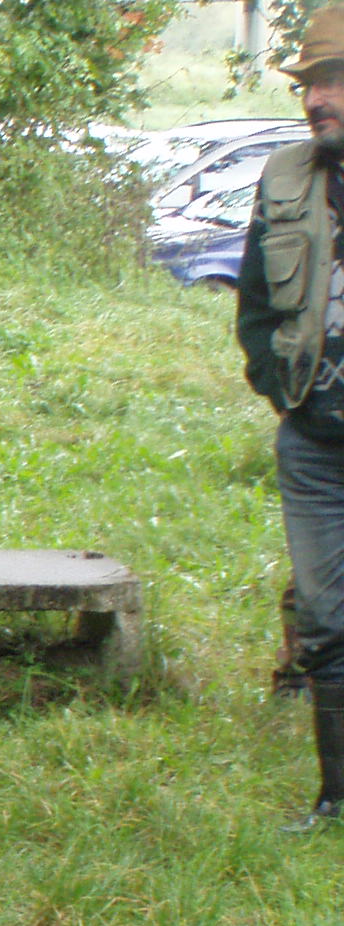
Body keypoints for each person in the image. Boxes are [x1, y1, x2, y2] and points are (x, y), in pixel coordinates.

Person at [238, 6, 344, 831]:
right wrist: (279, 387)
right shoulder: (285, 177)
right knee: (325, 620)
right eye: (310, 84)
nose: (318, 99)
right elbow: (253, 305)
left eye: (335, 82)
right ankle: (336, 799)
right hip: (314, 439)